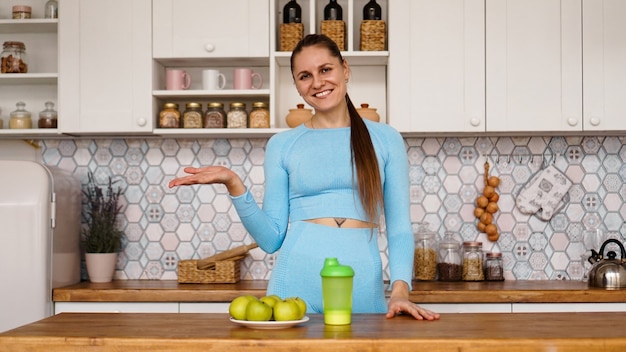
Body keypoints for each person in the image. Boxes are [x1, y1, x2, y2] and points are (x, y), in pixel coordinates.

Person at [169, 34, 440, 321]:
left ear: (345, 70)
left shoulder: (385, 139)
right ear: (297, 86)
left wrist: (400, 290)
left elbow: (399, 229)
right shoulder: (282, 144)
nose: (317, 82)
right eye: (305, 76)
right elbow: (272, 239)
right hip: (294, 288)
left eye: (326, 70)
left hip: (361, 288)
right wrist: (234, 184)